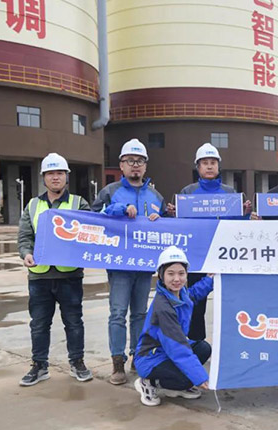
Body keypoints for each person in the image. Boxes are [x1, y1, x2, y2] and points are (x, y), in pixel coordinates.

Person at [91, 138, 166, 385]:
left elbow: (168, 226)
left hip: (144, 267)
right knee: (118, 313)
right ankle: (117, 362)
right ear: (121, 165)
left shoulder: (156, 196)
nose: (135, 165)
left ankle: (138, 356)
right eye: (130, 161)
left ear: (146, 166)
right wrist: (118, 209)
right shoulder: (110, 192)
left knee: (140, 314)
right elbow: (93, 217)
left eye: (140, 161)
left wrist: (161, 218)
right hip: (119, 267)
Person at [17, 153, 93, 386]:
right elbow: (25, 236)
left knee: (74, 322)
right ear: (44, 177)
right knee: (39, 324)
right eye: (50, 173)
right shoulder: (32, 205)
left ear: (67, 176)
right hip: (39, 276)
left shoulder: (79, 203)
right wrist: (26, 253)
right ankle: (39, 366)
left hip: (69, 275)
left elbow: (90, 231)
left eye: (59, 173)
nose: (55, 177)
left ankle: (77, 362)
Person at [166, 142, 252, 343]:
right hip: (196, 257)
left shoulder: (230, 193)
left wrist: (246, 214)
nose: (210, 166)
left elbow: (238, 226)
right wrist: (172, 214)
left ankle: (231, 344)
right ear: (198, 167)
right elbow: (179, 224)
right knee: (196, 303)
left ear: (218, 166)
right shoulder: (187, 192)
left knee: (229, 302)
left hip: (224, 255)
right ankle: (196, 345)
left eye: (213, 162)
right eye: (205, 163)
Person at [133, 246, 214, 407]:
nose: (177, 279)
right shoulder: (163, 307)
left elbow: (194, 294)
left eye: (181, 273)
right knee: (187, 377)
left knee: (203, 348)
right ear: (161, 275)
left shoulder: (180, 294)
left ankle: (176, 386)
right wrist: (199, 377)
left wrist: (210, 280)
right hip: (150, 358)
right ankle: (149, 382)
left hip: (166, 351)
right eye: (171, 274)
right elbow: (177, 348)